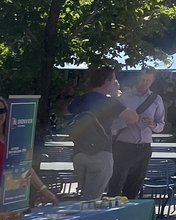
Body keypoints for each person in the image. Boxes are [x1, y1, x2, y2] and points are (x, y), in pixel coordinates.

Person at [67, 66, 126, 200]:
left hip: (79, 154)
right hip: (101, 154)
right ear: (106, 81)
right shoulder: (109, 102)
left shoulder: (80, 100)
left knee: (84, 197)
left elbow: (67, 109)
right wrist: (116, 95)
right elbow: (132, 117)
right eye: (114, 80)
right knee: (92, 200)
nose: (116, 83)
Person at [108, 67, 166, 199]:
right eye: (142, 79)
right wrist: (128, 121)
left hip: (144, 148)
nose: (144, 83)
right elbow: (112, 124)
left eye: (148, 80)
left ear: (152, 81)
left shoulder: (156, 99)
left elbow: (161, 125)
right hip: (123, 147)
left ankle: (129, 216)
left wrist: (153, 125)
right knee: (115, 186)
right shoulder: (124, 97)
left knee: (134, 188)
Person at [0, 96, 59, 206]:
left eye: (2, 111)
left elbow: (25, 166)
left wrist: (44, 190)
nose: (0, 115)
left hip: (12, 196)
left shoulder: (13, 138)